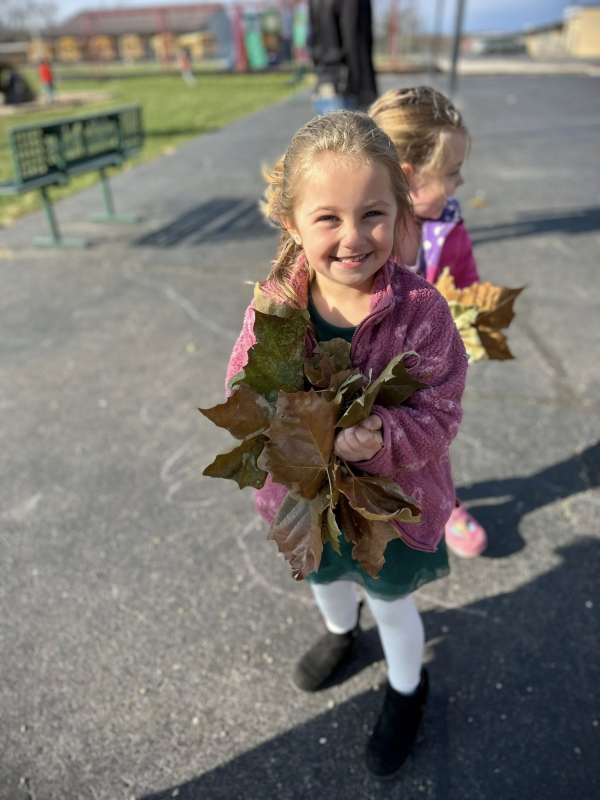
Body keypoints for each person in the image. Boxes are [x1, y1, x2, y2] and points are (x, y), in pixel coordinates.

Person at [225, 111, 467, 778]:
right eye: (328, 218)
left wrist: (383, 436)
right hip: (305, 497)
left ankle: (406, 688)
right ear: (292, 223)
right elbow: (246, 391)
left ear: (400, 211)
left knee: (390, 599)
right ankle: (338, 632)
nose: (353, 237)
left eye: (373, 214)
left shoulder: (422, 313)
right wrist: (296, 429)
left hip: (391, 506)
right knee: (327, 578)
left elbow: (441, 413)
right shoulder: (276, 306)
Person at [370, 86, 488, 558]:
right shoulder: (365, 237)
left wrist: (474, 315)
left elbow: (468, 280)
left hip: (430, 371)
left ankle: (445, 501)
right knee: (375, 447)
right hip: (373, 372)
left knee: (432, 442)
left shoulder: (449, 225)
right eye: (453, 172)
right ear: (408, 177)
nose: (460, 183)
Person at [309, 0, 377, 113]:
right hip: (347, 86)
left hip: (325, 82)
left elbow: (314, 38)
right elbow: (356, 45)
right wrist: (367, 93)